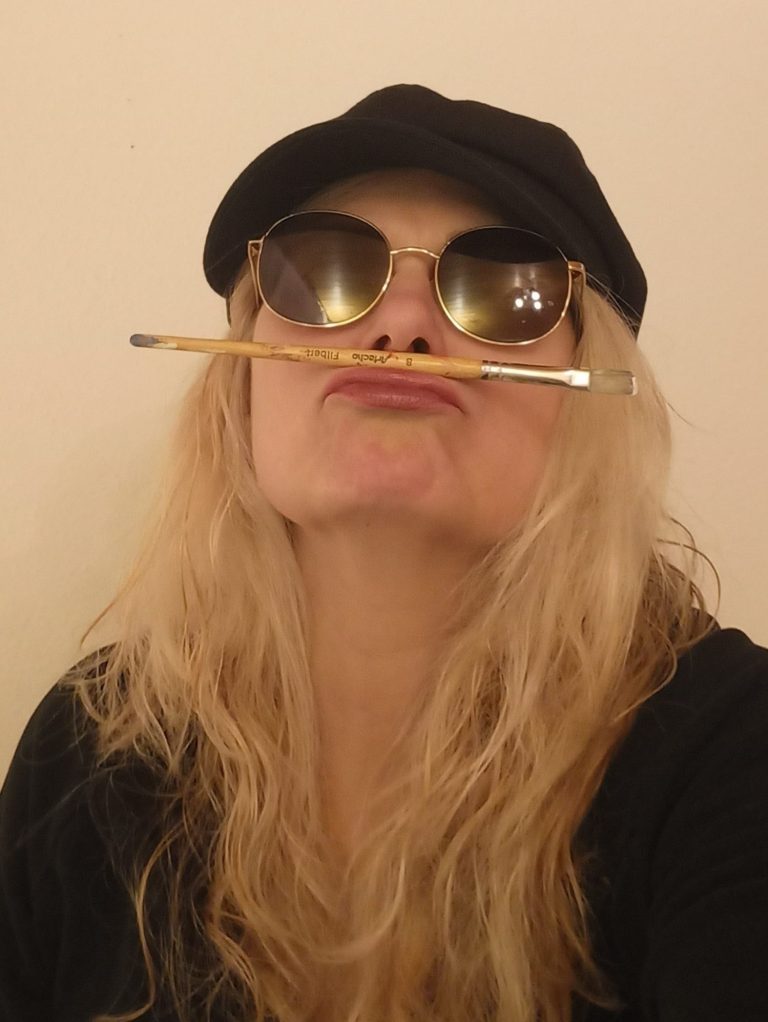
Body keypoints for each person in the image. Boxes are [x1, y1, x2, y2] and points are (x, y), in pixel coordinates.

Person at [1, 84, 766, 1022]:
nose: (400, 331)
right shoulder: (87, 750)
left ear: (586, 396)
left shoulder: (730, 755)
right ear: (242, 383)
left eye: (501, 288)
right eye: (321, 272)